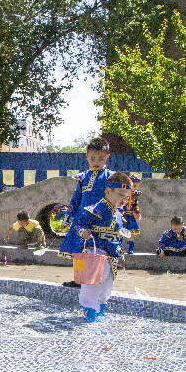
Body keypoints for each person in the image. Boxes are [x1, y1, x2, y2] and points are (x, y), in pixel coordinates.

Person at [75, 171, 132, 322]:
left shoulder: (119, 215)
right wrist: (83, 232)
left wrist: (120, 254)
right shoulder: (95, 210)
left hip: (111, 254)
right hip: (96, 251)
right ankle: (90, 311)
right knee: (93, 283)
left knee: (107, 283)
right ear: (108, 191)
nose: (124, 200)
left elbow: (117, 237)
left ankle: (99, 309)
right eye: (121, 195)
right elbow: (79, 225)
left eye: (127, 196)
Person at [58, 137, 113, 287]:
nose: (96, 161)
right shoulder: (83, 177)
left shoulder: (110, 177)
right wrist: (68, 217)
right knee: (79, 251)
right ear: (87, 157)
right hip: (80, 220)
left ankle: (94, 279)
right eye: (93, 158)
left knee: (94, 250)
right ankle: (79, 279)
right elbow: (76, 198)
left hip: (98, 220)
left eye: (101, 158)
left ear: (107, 157)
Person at [121, 174, 142, 254]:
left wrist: (137, 213)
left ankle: (130, 248)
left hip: (130, 216)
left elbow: (135, 205)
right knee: (120, 232)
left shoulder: (135, 195)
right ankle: (119, 247)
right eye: (134, 186)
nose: (135, 188)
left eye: (137, 186)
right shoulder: (123, 193)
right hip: (123, 215)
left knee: (131, 232)